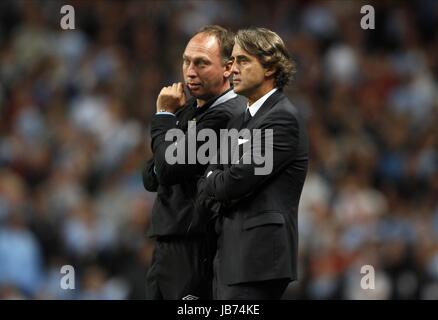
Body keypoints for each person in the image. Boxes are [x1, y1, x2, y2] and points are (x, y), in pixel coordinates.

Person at [197, 28, 309, 300]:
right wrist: (215, 180)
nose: (232, 68)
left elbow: (234, 182)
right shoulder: (239, 120)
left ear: (270, 67)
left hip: (258, 260)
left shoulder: (282, 119)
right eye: (232, 61)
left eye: (243, 60)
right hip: (230, 255)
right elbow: (208, 181)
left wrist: (215, 180)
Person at [142, 25, 245, 300]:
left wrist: (164, 115)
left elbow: (165, 168)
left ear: (228, 67)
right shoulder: (189, 109)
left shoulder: (227, 115)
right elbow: (150, 175)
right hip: (168, 245)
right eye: (186, 61)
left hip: (196, 248)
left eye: (201, 63)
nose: (190, 71)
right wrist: (164, 159)